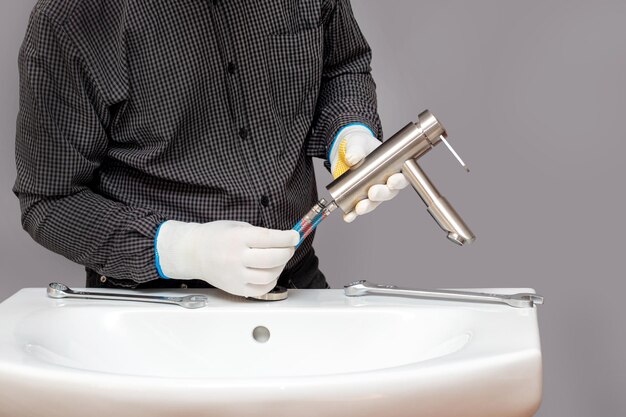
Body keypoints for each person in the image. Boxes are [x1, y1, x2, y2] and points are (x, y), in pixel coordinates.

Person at [14, 0, 407, 297]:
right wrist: (183, 249)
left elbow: (342, 65)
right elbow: (49, 201)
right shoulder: (72, 18)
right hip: (152, 308)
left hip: (297, 286)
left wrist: (349, 134)